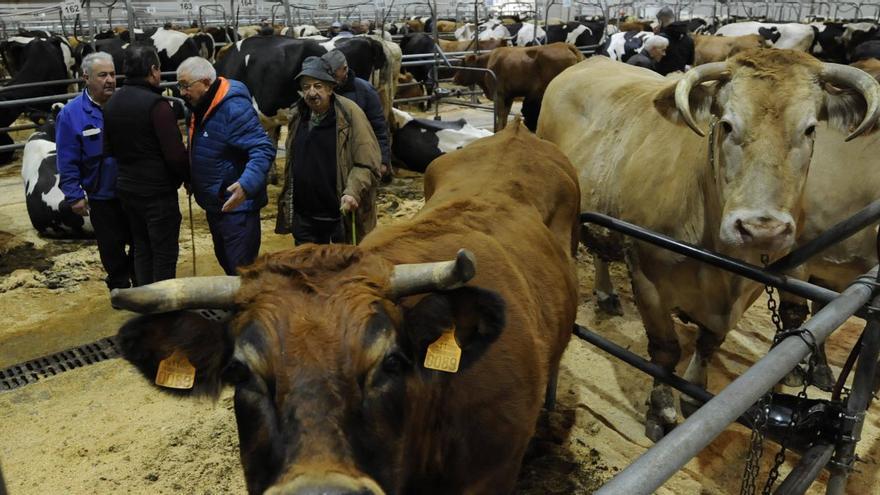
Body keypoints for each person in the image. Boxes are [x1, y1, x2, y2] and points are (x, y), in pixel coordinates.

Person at [176, 56, 275, 275]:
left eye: (185, 86)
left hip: (237, 208)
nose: (182, 92)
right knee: (227, 262)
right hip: (217, 203)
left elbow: (263, 148)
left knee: (241, 270)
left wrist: (246, 185)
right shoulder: (202, 104)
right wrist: (194, 177)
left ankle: (247, 309)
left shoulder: (233, 109)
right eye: (179, 86)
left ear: (205, 82)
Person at [103, 45, 189, 285]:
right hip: (157, 193)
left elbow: (107, 150)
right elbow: (175, 156)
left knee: (141, 247)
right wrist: (187, 177)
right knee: (163, 252)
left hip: (128, 190)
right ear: (153, 71)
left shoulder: (110, 104)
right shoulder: (158, 106)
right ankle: (162, 312)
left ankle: (145, 303)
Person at [275, 56, 380, 245]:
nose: (312, 92)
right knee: (308, 269)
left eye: (318, 86)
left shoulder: (350, 114)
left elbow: (367, 162)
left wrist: (352, 192)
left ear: (331, 88)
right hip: (304, 217)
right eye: (306, 87)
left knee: (339, 269)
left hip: (338, 216)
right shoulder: (298, 115)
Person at [56, 51, 134, 290]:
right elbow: (67, 158)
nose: (110, 80)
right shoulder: (71, 114)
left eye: (112, 74)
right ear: (86, 78)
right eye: (102, 75)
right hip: (101, 192)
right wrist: (74, 195)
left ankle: (140, 280)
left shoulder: (126, 104)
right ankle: (119, 285)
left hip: (132, 188)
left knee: (140, 239)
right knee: (111, 245)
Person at [322, 49, 391, 179]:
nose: (329, 77)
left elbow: (379, 127)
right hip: (328, 156)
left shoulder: (365, 90)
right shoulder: (323, 91)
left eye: (333, 73)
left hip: (357, 154)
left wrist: (383, 160)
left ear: (344, 69)